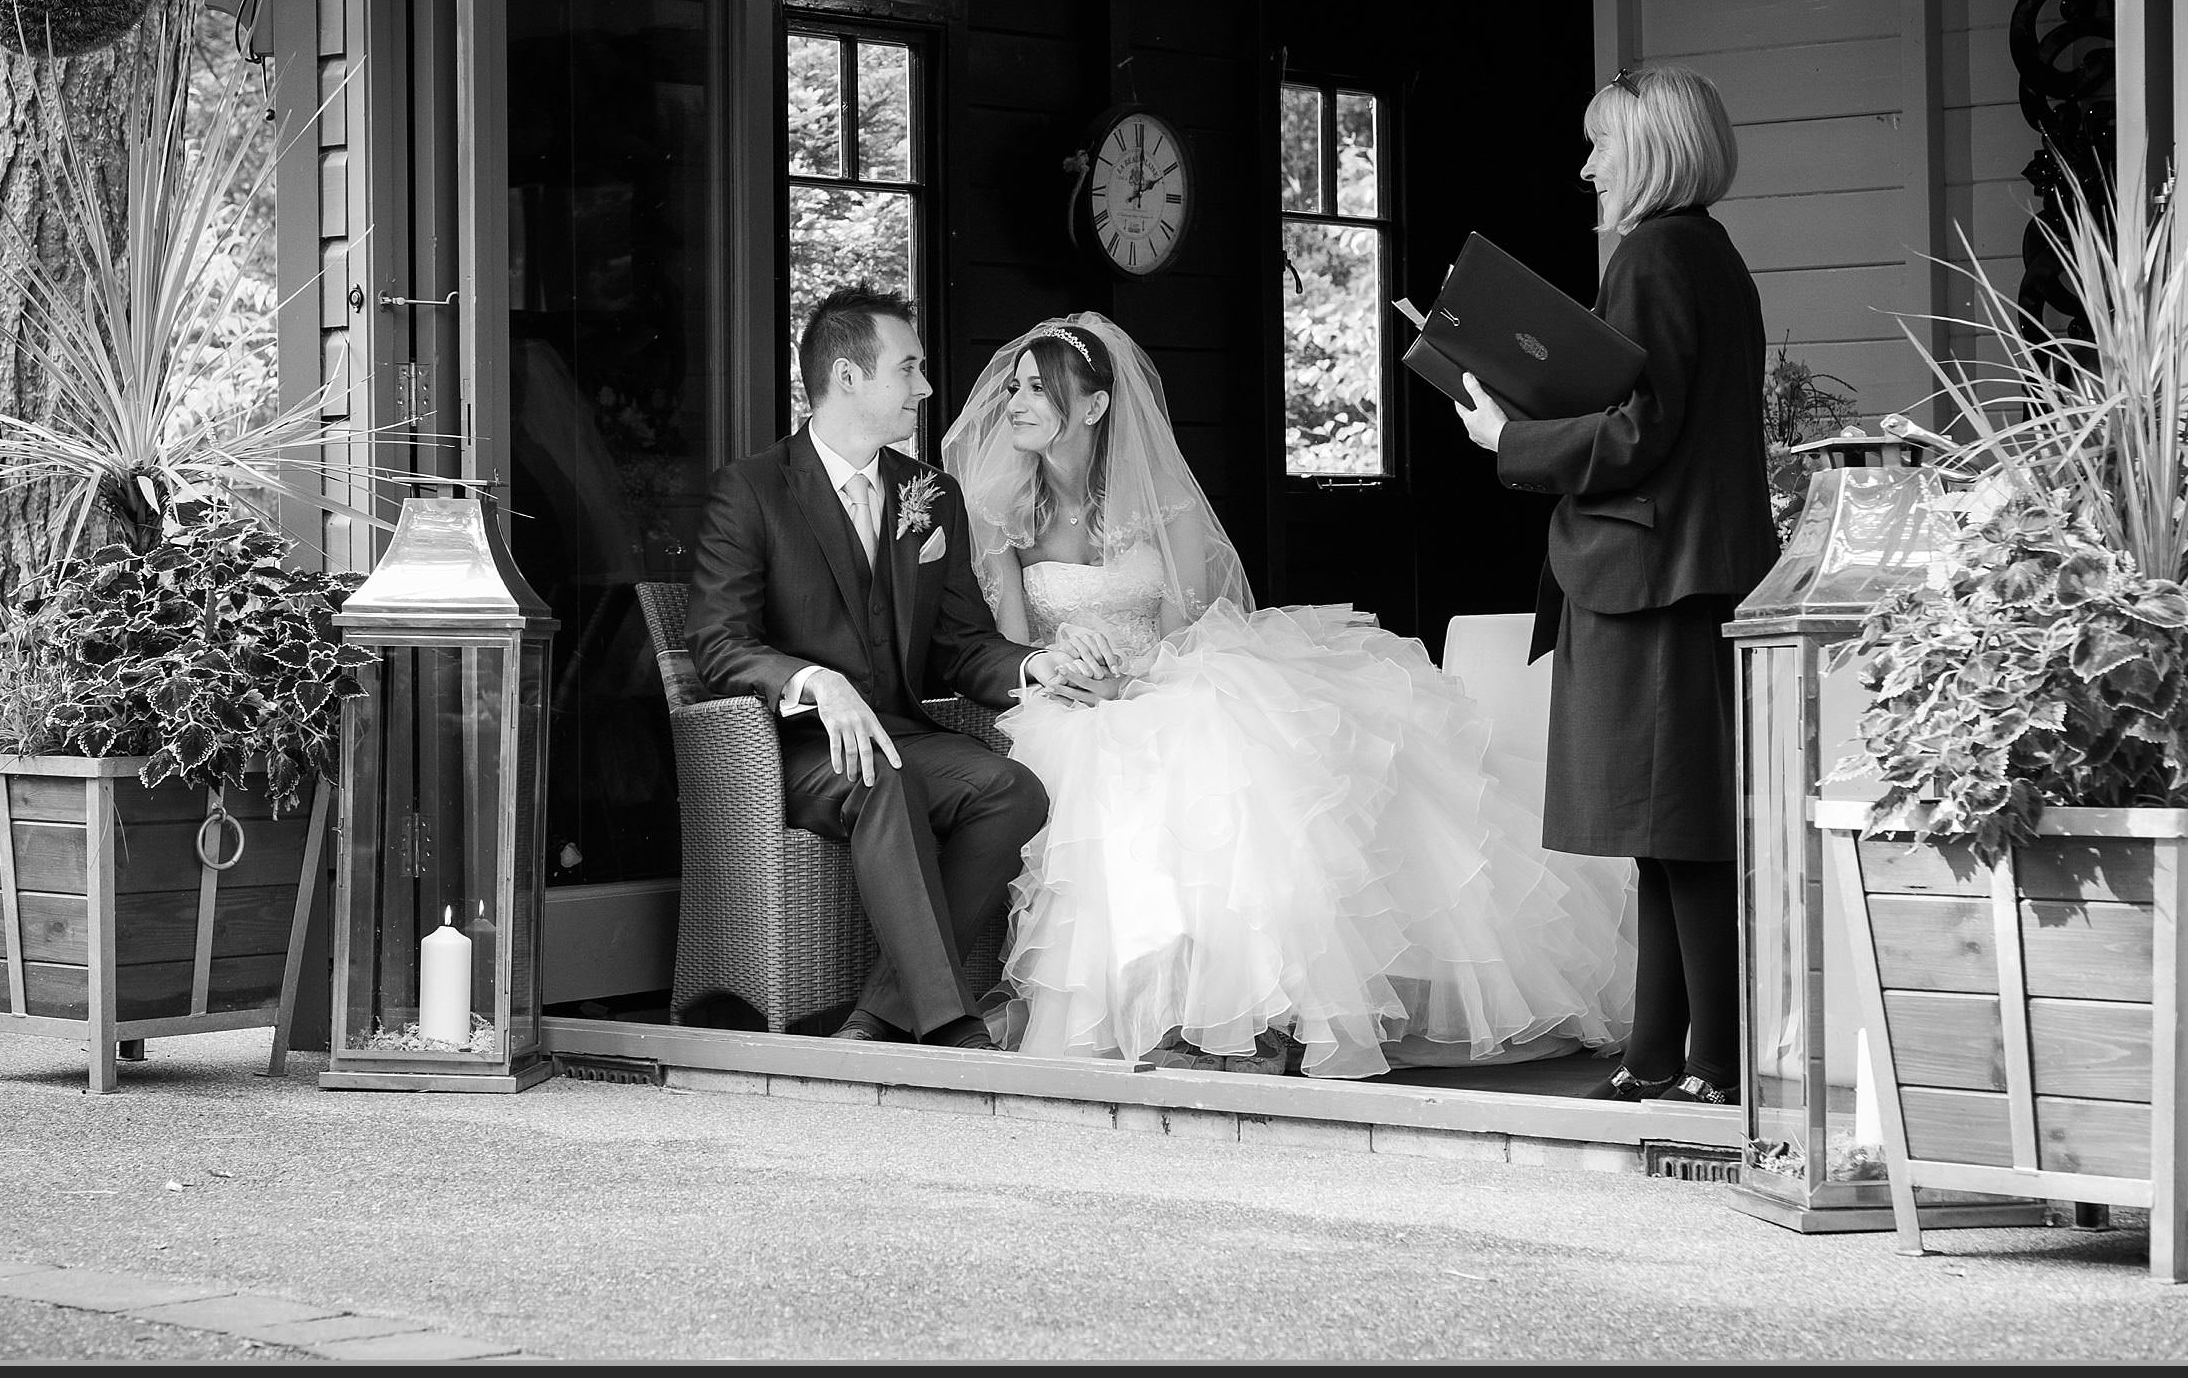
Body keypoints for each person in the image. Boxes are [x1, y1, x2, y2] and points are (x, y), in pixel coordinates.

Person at [940, 311, 1637, 1079]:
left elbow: (1186, 631)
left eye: (1038, 388)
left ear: (1097, 407)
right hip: (1070, 699)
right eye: (1015, 387)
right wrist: (1064, 659)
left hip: (1165, 675)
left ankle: (1262, 1010)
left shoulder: (1154, 505)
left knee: (1239, 752)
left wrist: (1130, 679)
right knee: (1115, 763)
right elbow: (1012, 643)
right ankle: (1168, 1006)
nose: (1015, 401)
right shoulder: (1006, 516)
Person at [1453, 63, 1778, 1106]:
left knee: (1679, 838)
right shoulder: (1709, 255)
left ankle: (1714, 1066)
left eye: (1601, 143)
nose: (1587, 164)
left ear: (1646, 150)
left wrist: (1513, 437)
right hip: (1684, 574)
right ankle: (1659, 1057)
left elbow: (1643, 430)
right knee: (1665, 836)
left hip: (1657, 581)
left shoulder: (1655, 253)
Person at [684, 285, 1111, 1050]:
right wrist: (812, 681)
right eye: (907, 368)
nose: (925, 387)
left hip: (905, 734)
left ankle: (880, 1013)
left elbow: (962, 644)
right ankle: (951, 1028)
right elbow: (717, 642)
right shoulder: (750, 491)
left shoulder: (929, 495)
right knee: (881, 780)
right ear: (847, 378)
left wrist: (1035, 664)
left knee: (1013, 790)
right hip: (803, 751)